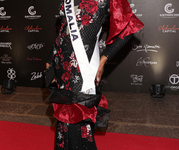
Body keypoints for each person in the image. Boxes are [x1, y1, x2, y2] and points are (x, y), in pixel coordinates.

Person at [46, 0, 144, 149]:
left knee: (77, 118)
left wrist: (104, 58)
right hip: (61, 65)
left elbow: (130, 26)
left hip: (82, 67)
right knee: (64, 119)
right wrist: (50, 60)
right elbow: (63, 30)